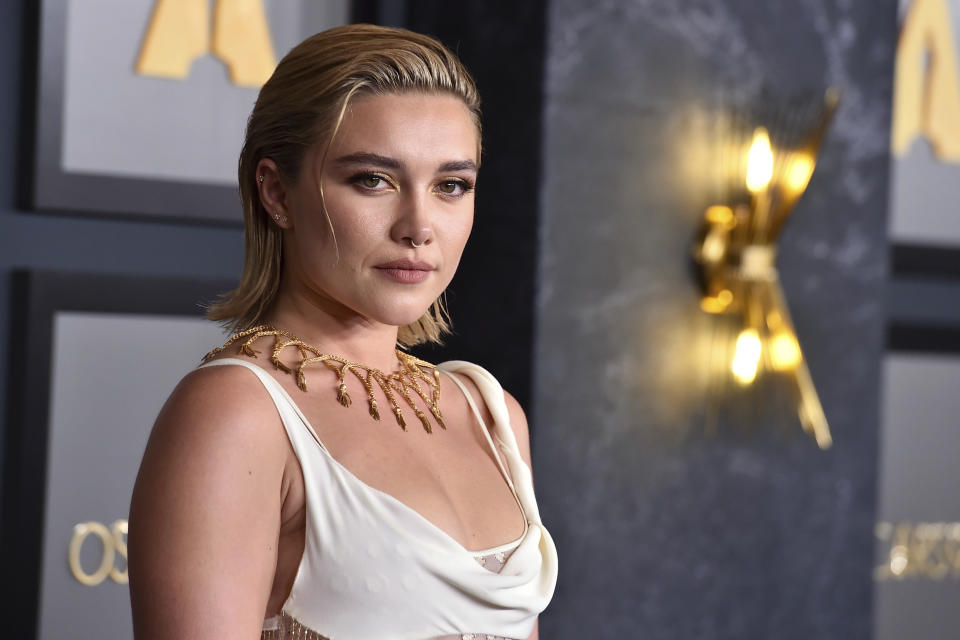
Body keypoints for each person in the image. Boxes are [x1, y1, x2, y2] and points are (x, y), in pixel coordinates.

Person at [128, 24, 557, 640]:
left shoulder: (492, 416)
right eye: (373, 180)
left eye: (450, 186)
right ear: (276, 192)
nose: (418, 226)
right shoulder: (235, 414)